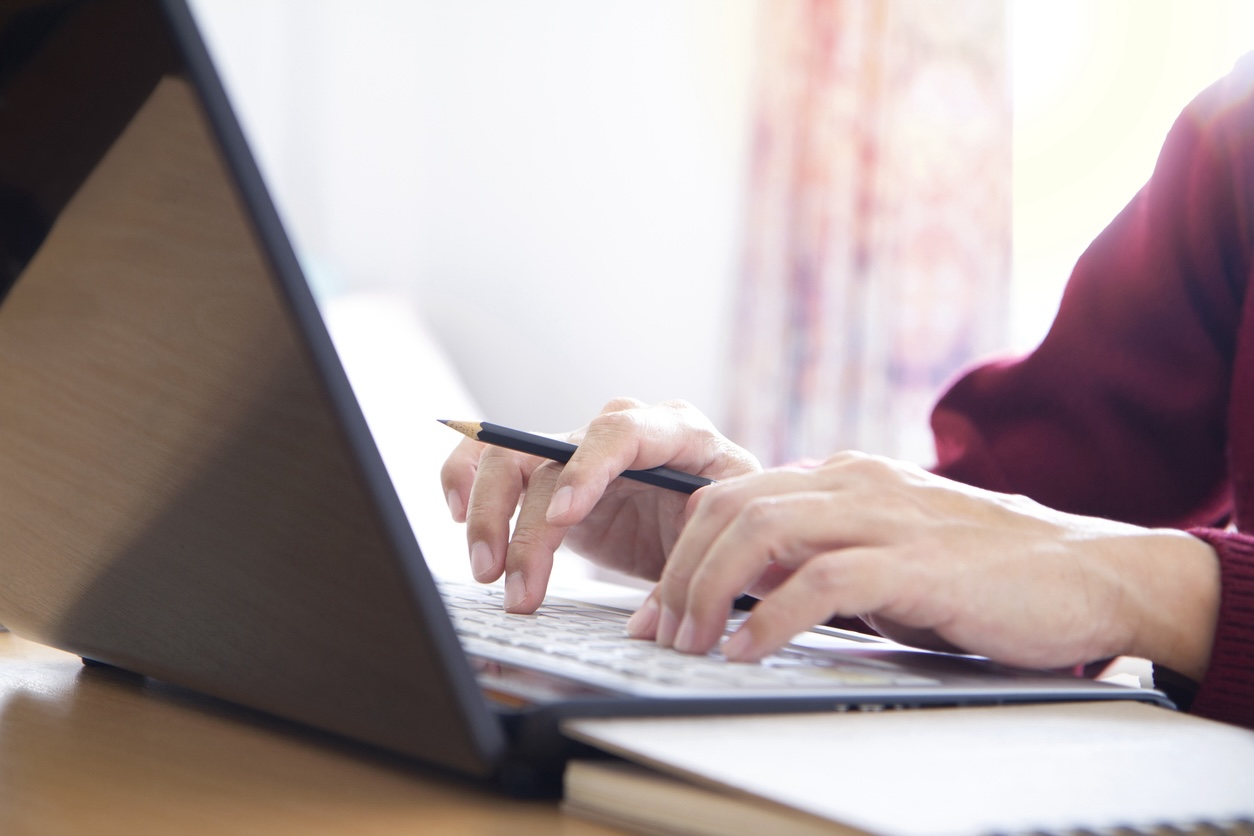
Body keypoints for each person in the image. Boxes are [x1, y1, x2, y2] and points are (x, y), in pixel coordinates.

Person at [441, 54, 1254, 730]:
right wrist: (745, 526)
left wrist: (1155, 591)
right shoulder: (1234, 134)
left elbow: (1072, 559)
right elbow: (1012, 524)